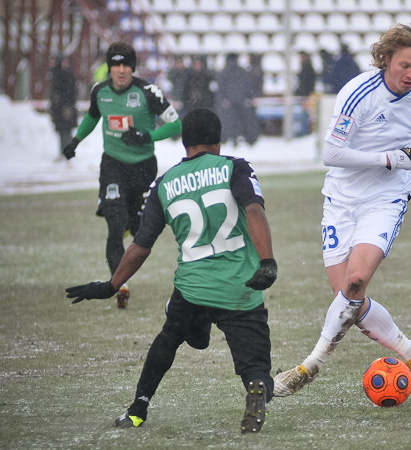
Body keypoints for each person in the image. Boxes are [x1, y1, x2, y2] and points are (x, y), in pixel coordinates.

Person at [65, 108, 278, 434]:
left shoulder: (164, 183)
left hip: (192, 288)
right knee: (256, 366)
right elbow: (253, 210)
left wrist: (112, 285)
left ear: (184, 142)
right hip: (240, 287)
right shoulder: (235, 168)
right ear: (218, 141)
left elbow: (141, 245)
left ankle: (138, 408)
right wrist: (267, 262)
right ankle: (256, 386)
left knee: (167, 340)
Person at [273, 23, 411, 402]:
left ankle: (310, 365)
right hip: (342, 200)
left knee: (356, 282)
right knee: (347, 300)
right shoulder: (358, 92)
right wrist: (387, 158)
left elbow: (405, 149)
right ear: (386, 60)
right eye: (404, 66)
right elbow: (331, 153)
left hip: (386, 198)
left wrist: (400, 163)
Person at [62, 42, 182, 309]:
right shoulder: (99, 91)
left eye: (126, 64)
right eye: (115, 65)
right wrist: (76, 141)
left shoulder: (148, 92)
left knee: (139, 229)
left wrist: (147, 136)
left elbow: (176, 123)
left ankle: (130, 225)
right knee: (115, 227)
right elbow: (93, 117)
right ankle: (120, 285)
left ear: (132, 68)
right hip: (112, 166)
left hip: (143, 167)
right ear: (108, 67)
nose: (120, 70)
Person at [216, 53, 260, 147]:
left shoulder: (223, 72)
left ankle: (232, 138)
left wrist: (223, 99)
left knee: (230, 122)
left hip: (229, 102)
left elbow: (220, 89)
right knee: (242, 121)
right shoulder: (242, 72)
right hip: (241, 101)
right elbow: (248, 87)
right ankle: (244, 137)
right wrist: (248, 98)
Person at [48, 54, 78, 161]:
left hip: (62, 107)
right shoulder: (65, 73)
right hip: (63, 107)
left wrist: (66, 105)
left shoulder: (59, 74)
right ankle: (65, 152)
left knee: (64, 131)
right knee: (65, 130)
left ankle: (66, 152)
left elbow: (67, 92)